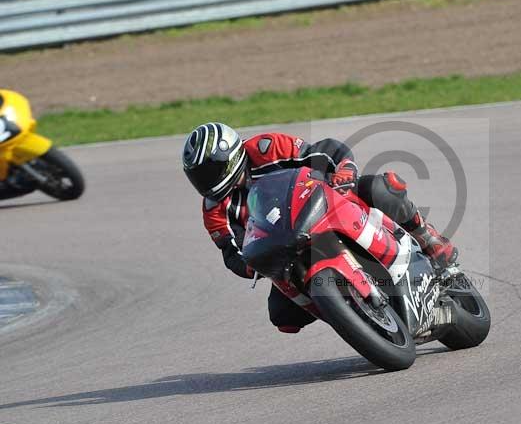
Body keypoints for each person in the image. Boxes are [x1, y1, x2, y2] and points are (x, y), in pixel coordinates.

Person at [182, 122, 457, 333]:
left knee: (379, 187)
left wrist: (344, 169)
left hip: (325, 204)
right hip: (286, 249)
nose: (206, 182)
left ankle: (427, 237)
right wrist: (251, 265)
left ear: (230, 156)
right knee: (282, 316)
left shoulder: (266, 147)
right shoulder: (215, 209)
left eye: (209, 171)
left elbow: (325, 150)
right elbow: (231, 252)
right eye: (198, 177)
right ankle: (357, 320)